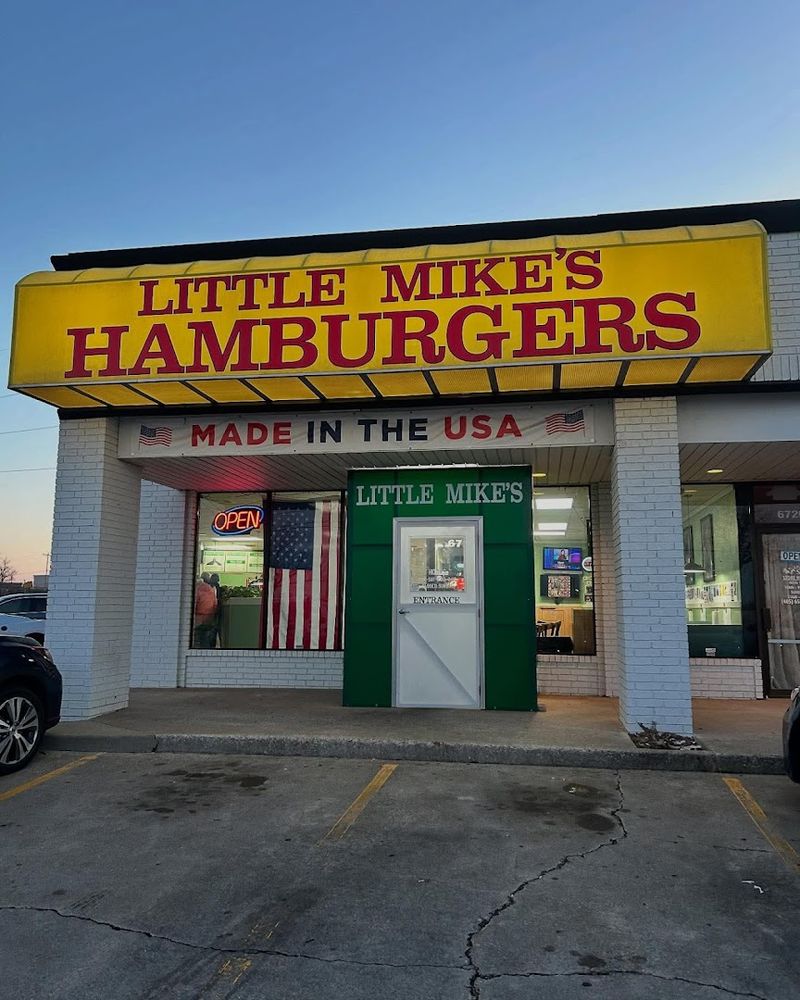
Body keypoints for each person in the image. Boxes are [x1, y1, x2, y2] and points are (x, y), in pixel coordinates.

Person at [194, 572, 218, 648]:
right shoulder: (212, 590)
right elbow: (215, 603)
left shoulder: (198, 590)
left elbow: (195, 603)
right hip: (210, 616)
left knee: (199, 637)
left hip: (199, 616)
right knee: (206, 636)